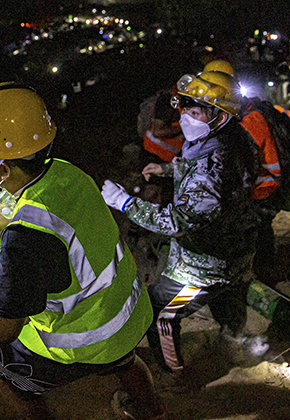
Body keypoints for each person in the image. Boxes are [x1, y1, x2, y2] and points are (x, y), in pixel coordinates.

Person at [0, 83, 164, 420]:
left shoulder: (24, 240)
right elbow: (18, 213)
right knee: (126, 360)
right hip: (130, 313)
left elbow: (3, 327)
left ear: (2, 169)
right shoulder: (67, 173)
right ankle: (151, 411)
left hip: (90, 340)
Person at [102, 70, 258, 379]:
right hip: (238, 246)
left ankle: (175, 376)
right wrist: (168, 170)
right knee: (231, 297)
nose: (186, 115)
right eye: (184, 106)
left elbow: (176, 221)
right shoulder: (237, 140)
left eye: (196, 109)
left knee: (158, 312)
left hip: (205, 265)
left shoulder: (209, 168)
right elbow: (216, 174)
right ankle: (231, 340)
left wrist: (124, 202)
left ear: (220, 116)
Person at [204, 59, 282, 283]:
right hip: (255, 186)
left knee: (258, 230)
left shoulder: (248, 120)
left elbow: (244, 165)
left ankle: (264, 277)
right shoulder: (232, 113)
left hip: (262, 187)